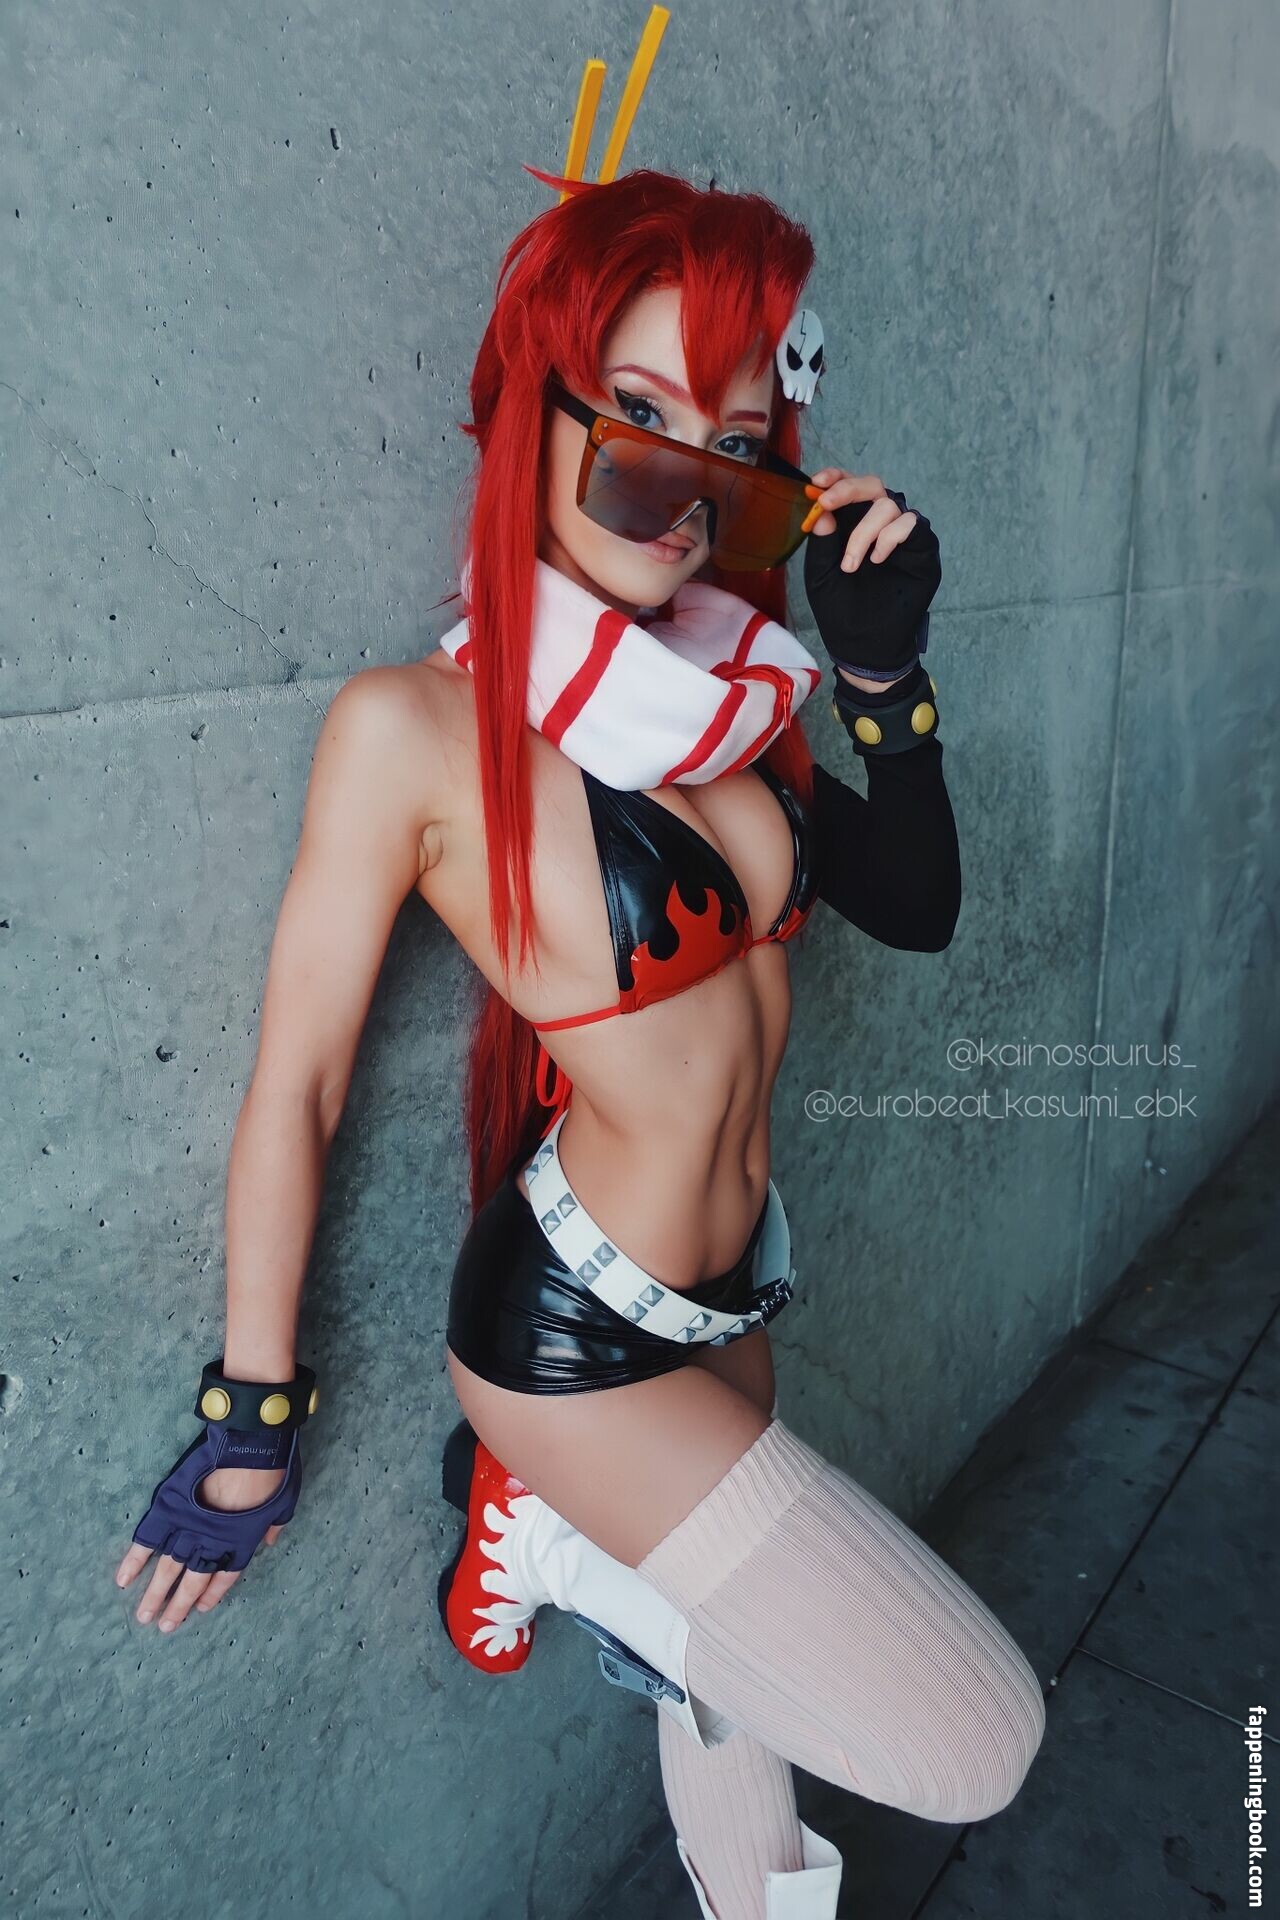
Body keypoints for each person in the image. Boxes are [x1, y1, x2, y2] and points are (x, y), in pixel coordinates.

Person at [115, 161, 1045, 1919]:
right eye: (635, 419)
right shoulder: (414, 731)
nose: (679, 489)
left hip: (733, 1293)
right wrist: (253, 1409)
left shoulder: (731, 705)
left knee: (731, 1720)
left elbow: (918, 909)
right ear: (526, 409)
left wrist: (879, 680)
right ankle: (545, 1531)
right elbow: (299, 1082)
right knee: (973, 1742)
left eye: (731, 449)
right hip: (573, 1340)